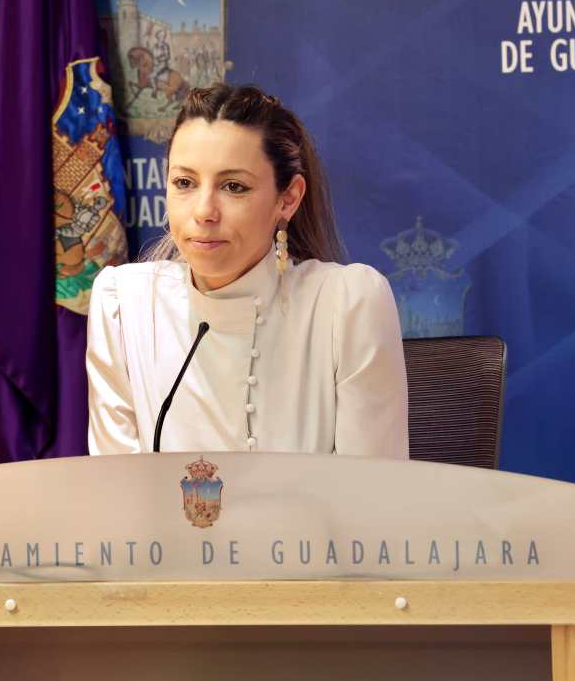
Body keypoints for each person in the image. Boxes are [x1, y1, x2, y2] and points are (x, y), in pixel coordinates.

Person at [86, 84, 408, 457]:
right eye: (185, 183)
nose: (204, 211)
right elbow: (116, 491)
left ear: (288, 198)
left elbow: (371, 497)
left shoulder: (346, 303)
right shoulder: (123, 305)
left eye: (233, 186)